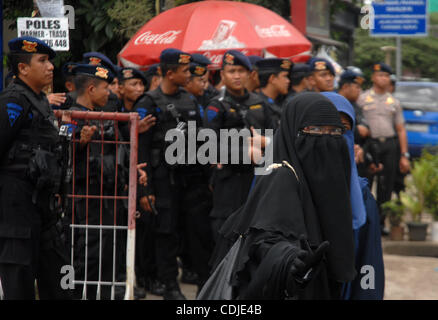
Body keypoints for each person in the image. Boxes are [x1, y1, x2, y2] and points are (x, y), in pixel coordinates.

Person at [201, 92, 356, 300]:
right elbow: (266, 237)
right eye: (315, 130)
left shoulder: (333, 182)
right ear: (293, 133)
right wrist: (289, 260)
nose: (326, 139)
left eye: (335, 131)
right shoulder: (282, 176)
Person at [0, 36, 72, 299]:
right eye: (42, 60)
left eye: (49, 60)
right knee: (19, 287)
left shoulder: (40, 100)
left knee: (63, 281)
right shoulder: (13, 101)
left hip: (44, 209)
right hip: (17, 213)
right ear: (23, 68)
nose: (50, 66)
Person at [134, 48, 207, 300]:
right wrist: (145, 190)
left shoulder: (190, 100)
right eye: (185, 71)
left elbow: (202, 141)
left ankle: (204, 283)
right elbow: (140, 150)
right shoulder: (148, 103)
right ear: (169, 72)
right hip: (162, 180)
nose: (189, 74)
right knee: (165, 234)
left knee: (195, 233)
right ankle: (170, 287)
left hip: (192, 181)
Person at [203, 50, 274, 242]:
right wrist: (244, 152)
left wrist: (265, 143)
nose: (236, 76)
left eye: (241, 71)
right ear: (222, 74)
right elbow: (208, 146)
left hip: (257, 179)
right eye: (231, 71)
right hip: (228, 181)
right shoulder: (216, 106)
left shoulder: (260, 103)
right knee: (227, 233)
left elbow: (277, 137)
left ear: (249, 74)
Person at [321, 92, 384, 300]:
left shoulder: (362, 197)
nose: (331, 137)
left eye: (341, 130)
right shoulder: (285, 187)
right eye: (321, 128)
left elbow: (369, 265)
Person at [357, 63, 410, 234]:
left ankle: (380, 224)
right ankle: (365, 221)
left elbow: (401, 129)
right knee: (366, 182)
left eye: (386, 76)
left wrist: (404, 154)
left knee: (386, 186)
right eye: (380, 75)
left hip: (389, 145)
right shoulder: (362, 98)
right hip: (369, 145)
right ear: (373, 77)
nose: (383, 79)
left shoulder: (394, 102)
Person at [255, 58, 292, 129]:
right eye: (285, 76)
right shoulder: (259, 105)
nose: (288, 81)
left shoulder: (278, 102)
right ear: (272, 79)